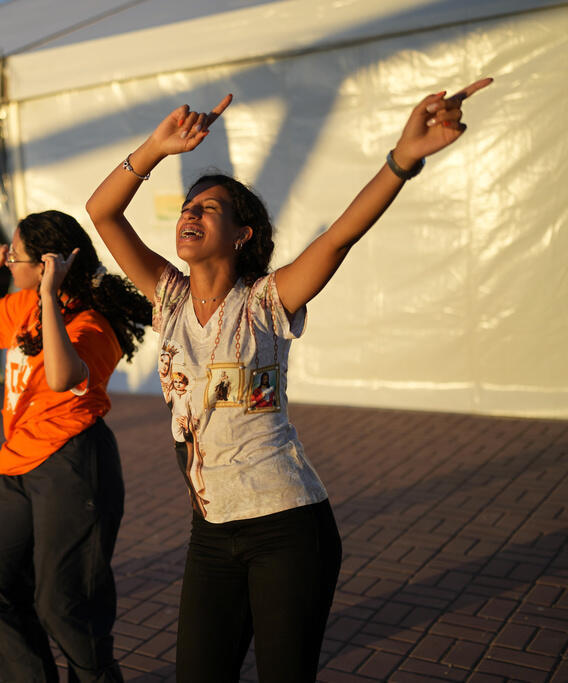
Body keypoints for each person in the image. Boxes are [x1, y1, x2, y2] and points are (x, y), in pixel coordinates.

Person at [86, 78, 492, 681]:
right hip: (211, 531)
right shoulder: (167, 298)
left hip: (288, 527)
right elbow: (102, 211)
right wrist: (155, 148)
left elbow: (339, 238)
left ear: (241, 234)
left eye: (209, 208)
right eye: (188, 207)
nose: (190, 214)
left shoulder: (265, 303)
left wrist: (401, 160)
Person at [0, 210, 151, 682]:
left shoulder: (93, 326)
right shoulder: (24, 303)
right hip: (18, 464)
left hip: (72, 462)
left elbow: (62, 376)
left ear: (48, 264)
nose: (9, 261)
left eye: (15, 255)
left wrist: (48, 293)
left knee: (63, 603)